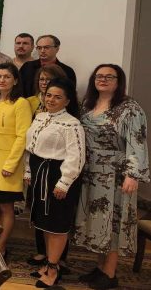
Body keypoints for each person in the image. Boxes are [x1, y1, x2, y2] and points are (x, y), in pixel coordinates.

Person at [74, 64, 149, 290]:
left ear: (119, 81)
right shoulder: (87, 104)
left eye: (109, 76)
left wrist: (132, 175)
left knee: (113, 222)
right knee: (97, 222)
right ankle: (100, 267)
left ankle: (110, 273)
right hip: (90, 172)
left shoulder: (129, 108)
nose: (103, 79)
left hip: (116, 175)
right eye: (99, 76)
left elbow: (137, 142)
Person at [24, 78, 85, 288]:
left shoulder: (72, 123)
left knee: (57, 225)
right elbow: (31, 147)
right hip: (40, 173)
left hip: (57, 176)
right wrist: (28, 170)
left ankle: (53, 269)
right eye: (48, 95)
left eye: (57, 97)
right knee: (44, 223)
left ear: (67, 101)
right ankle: (50, 263)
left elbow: (76, 156)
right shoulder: (40, 117)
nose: (51, 99)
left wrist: (64, 182)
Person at [0, 63, 32, 258]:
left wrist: (11, 164)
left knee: (6, 207)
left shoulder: (20, 103)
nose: (1, 80)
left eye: (7, 76)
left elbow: (22, 136)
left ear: (15, 80)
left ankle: (1, 247)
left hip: (7, 164)